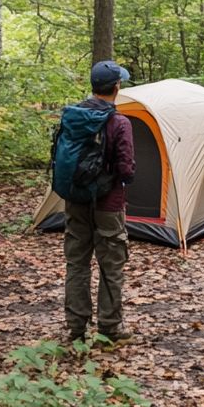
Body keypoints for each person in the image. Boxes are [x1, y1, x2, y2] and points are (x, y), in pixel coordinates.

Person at [64, 60, 136, 345]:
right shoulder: (119, 122)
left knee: (77, 263)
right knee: (111, 264)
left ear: (93, 86)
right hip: (109, 203)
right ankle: (109, 327)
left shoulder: (73, 115)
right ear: (116, 87)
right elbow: (127, 169)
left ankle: (76, 328)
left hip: (75, 201)